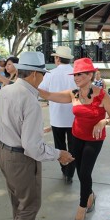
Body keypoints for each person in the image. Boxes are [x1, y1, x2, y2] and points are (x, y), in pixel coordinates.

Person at [0, 51, 74, 220]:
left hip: (4, 153)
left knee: (18, 201)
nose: (43, 78)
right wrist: (58, 154)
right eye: (42, 74)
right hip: (21, 159)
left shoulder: (7, 90)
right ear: (33, 75)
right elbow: (32, 146)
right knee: (29, 206)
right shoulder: (30, 101)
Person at [39, 57, 110, 220]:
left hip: (94, 140)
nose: (76, 78)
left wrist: (103, 121)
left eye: (80, 74)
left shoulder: (103, 95)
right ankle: (90, 195)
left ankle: (82, 206)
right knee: (79, 171)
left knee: (84, 173)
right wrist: (21, 82)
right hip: (76, 136)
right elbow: (47, 95)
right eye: (75, 75)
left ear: (90, 75)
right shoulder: (73, 94)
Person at [39, 46, 76, 184]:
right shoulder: (75, 73)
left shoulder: (50, 74)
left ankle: (64, 169)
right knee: (73, 146)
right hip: (74, 117)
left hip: (57, 117)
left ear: (58, 58)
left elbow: (42, 91)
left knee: (60, 146)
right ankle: (71, 173)